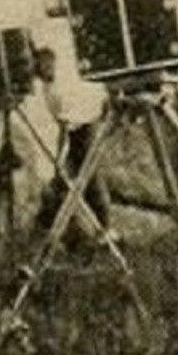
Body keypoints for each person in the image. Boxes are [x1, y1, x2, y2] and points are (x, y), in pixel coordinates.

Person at [33, 46, 112, 241]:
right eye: (41, 68)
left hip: (85, 127)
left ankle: (105, 227)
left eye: (48, 66)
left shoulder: (60, 87)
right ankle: (64, 231)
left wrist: (59, 158)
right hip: (75, 128)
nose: (45, 71)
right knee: (63, 182)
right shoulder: (47, 87)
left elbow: (64, 128)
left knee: (90, 177)